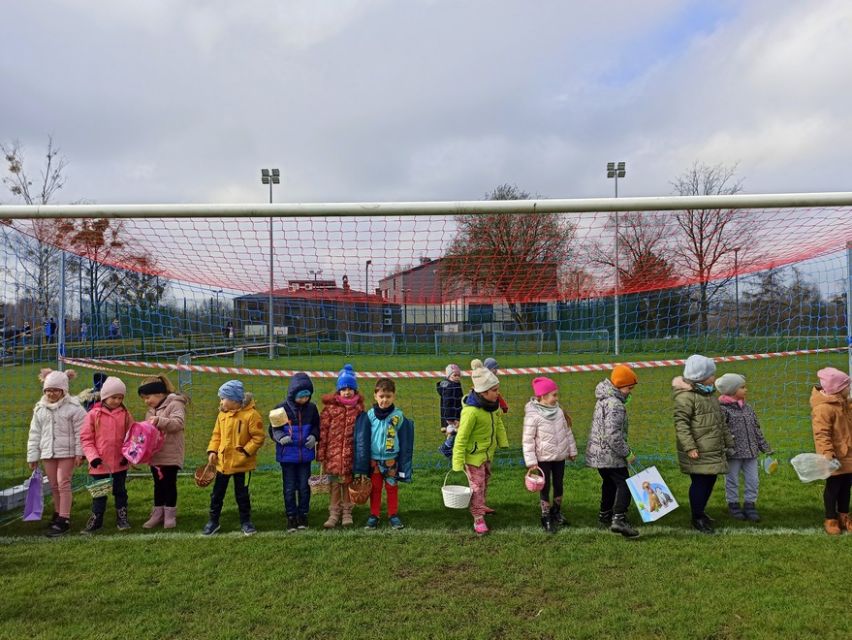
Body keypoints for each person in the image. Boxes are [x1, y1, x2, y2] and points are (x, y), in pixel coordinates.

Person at [673, 355, 733, 534]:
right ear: (700, 377)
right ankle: (696, 516)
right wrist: (690, 447)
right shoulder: (686, 398)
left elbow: (720, 422)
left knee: (710, 480)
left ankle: (700, 511)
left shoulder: (709, 395)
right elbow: (681, 425)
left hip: (712, 449)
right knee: (700, 483)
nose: (714, 378)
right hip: (698, 450)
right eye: (711, 375)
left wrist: (729, 442)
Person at [26, 368, 87, 537]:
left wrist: (79, 453)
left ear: (64, 390)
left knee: (63, 482)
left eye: (55, 390)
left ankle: (64, 519)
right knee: (53, 484)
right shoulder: (40, 409)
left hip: (66, 453)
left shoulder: (74, 408)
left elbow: (81, 433)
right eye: (48, 390)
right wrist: (33, 456)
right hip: (48, 453)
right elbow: (34, 433)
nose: (51, 393)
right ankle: (58, 512)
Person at [453, 359, 509, 535]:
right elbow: (461, 437)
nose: (497, 393)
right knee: (477, 486)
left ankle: (481, 505)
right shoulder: (471, 412)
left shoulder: (493, 407)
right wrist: (458, 461)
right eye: (494, 391)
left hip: (487, 454)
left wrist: (503, 441)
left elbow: (498, 422)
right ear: (483, 392)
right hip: (473, 457)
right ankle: (478, 518)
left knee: (484, 482)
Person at [204, 380, 265, 536]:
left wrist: (244, 452)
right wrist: (212, 451)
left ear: (234, 399)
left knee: (242, 494)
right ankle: (213, 521)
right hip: (222, 464)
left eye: (223, 398)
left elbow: (258, 437)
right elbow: (216, 435)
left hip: (243, 465)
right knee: (217, 494)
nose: (221, 401)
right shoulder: (222, 415)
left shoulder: (252, 415)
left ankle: (246, 522)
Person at [586, 365, 640, 538]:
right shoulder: (615, 404)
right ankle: (619, 519)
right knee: (625, 484)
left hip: (598, 454)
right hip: (610, 454)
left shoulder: (602, 399)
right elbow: (613, 435)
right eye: (629, 388)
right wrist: (627, 452)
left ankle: (605, 513)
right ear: (619, 386)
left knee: (609, 483)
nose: (630, 392)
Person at [354, 377, 414, 530]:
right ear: (375, 396)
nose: (385, 400)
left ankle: (393, 515)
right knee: (375, 489)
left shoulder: (398, 416)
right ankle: (374, 515)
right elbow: (363, 438)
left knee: (392, 488)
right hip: (374, 461)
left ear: (394, 396)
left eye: (388, 396)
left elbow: (403, 437)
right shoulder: (370, 415)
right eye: (381, 396)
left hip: (391, 461)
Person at [522, 376, 577, 533]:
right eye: (554, 395)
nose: (556, 398)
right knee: (544, 486)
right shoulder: (533, 415)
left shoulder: (559, 412)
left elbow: (567, 432)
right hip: (543, 458)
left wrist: (571, 451)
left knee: (559, 483)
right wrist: (531, 461)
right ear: (542, 397)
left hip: (559, 457)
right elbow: (528, 440)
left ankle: (556, 511)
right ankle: (545, 515)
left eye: (556, 394)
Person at [79, 376, 134, 534]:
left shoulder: (125, 414)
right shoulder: (93, 415)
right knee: (100, 493)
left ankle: (122, 517)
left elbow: (133, 436)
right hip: (99, 464)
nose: (117, 401)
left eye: (120, 398)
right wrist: (93, 457)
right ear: (105, 396)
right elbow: (86, 438)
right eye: (114, 397)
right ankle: (97, 518)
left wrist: (128, 455)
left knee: (120, 491)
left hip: (120, 463)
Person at [716, 373, 772, 522]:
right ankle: (733, 505)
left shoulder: (748, 408)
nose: (746, 389)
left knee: (753, 480)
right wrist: (726, 449)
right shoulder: (723, 410)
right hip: (733, 454)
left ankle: (750, 505)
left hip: (751, 453)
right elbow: (720, 432)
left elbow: (756, 429)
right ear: (732, 390)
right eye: (742, 387)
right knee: (732, 480)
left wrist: (765, 447)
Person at [270, 372, 320, 532]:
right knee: (290, 487)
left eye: (307, 396)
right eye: (301, 396)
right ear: (293, 394)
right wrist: (280, 437)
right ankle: (291, 516)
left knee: (305, 487)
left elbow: (316, 426)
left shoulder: (312, 409)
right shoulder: (280, 409)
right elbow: (273, 429)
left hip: (305, 456)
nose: (304, 400)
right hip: (288, 457)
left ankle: (303, 515)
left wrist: (314, 436)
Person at [138, 375, 188, 530]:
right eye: (144, 399)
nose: (146, 401)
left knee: (169, 484)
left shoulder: (175, 405)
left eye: (148, 397)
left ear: (159, 393)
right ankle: (157, 513)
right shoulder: (151, 410)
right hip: (156, 455)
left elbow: (178, 424)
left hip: (171, 454)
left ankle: (170, 515)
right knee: (158, 485)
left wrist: (159, 421)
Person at [318, 364, 364, 528]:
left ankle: (347, 513)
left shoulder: (359, 410)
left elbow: (362, 435)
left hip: (350, 456)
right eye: (343, 388)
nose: (347, 391)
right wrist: (321, 455)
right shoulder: (330, 410)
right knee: (335, 486)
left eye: (350, 388)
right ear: (338, 390)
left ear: (355, 390)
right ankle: (333, 514)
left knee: (347, 484)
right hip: (333, 457)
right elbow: (323, 433)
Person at [810, 367, 852, 535]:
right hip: (833, 457)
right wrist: (827, 453)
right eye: (847, 386)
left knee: (846, 486)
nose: (849, 389)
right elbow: (821, 433)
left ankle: (844, 516)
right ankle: (830, 518)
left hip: (848, 454)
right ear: (837, 388)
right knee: (833, 487)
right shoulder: (824, 408)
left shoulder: (844, 404)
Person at [437, 363, 463, 434]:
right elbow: (447, 404)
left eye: (459, 375)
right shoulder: (449, 388)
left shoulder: (456, 384)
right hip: (452, 418)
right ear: (448, 376)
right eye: (455, 375)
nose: (457, 377)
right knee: (452, 435)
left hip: (456, 414)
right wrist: (450, 419)